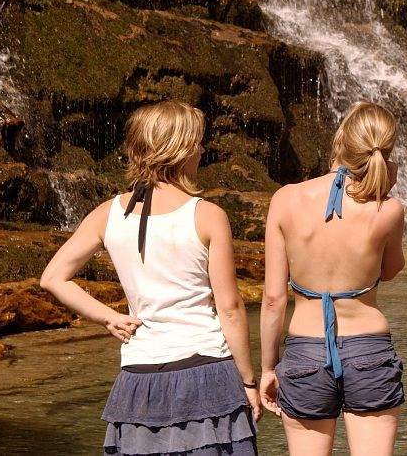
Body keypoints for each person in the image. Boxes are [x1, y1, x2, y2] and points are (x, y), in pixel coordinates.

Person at [40, 100, 260, 456]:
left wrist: (108, 316)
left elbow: (52, 277)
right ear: (182, 149)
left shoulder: (107, 213)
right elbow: (231, 308)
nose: (203, 149)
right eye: (199, 141)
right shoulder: (207, 215)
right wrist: (248, 381)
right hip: (204, 371)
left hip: (138, 379)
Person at [259, 101, 406, 456]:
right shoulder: (388, 209)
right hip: (369, 347)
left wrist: (267, 367)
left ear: (340, 140)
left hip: (305, 352)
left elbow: (273, 298)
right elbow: (388, 271)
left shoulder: (285, 199)